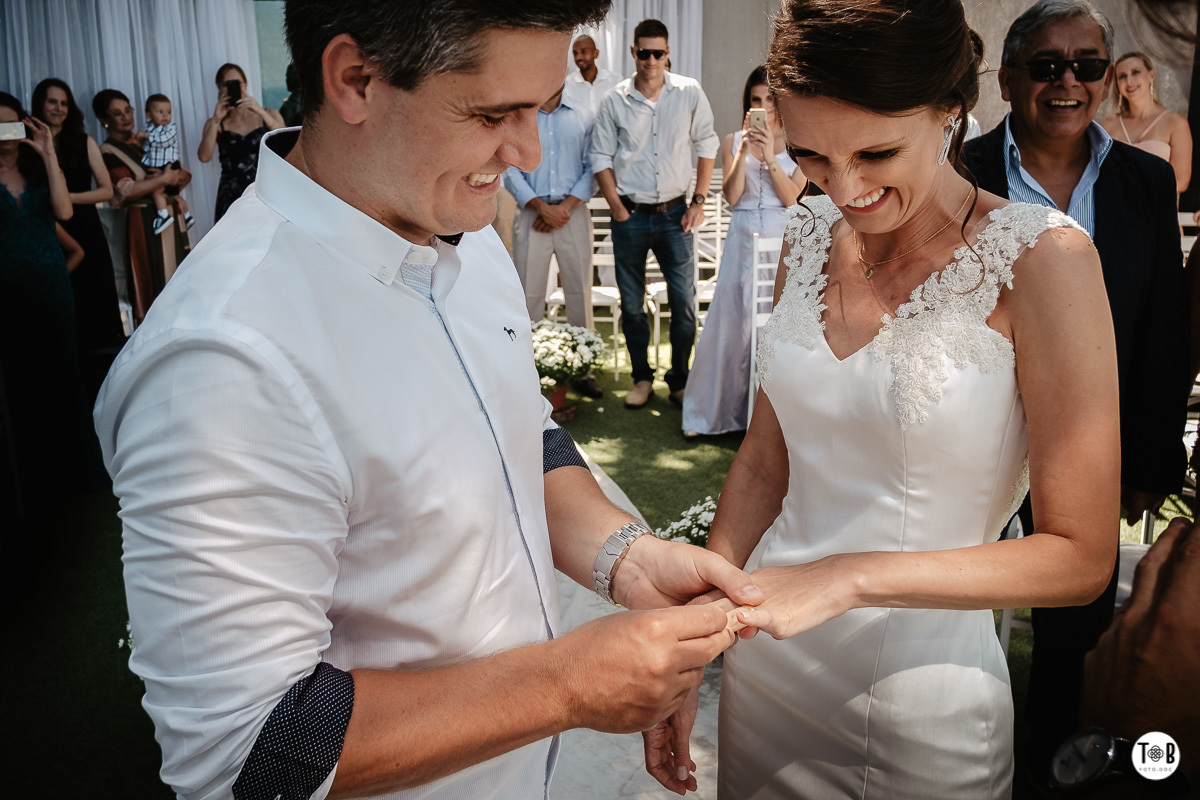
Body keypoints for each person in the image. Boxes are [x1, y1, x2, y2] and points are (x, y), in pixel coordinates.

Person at [93, 2, 765, 799]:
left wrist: (625, 556)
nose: (524, 153)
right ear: (355, 80)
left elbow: (521, 429)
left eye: (540, 110)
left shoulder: (460, 228)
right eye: (493, 113)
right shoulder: (224, 358)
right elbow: (250, 753)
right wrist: (566, 686)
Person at [644, 0, 1125, 795]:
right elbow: (766, 460)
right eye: (813, 158)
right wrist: (696, 644)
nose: (846, 189)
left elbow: (1081, 558)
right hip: (768, 668)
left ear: (950, 111)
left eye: (876, 151)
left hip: (919, 701)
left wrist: (850, 575)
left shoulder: (1045, 262)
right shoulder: (805, 236)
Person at [961, 1, 1191, 786]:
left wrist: (1149, 460)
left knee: (1074, 634)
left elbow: (1165, 330)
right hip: (972, 445)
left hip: (1092, 451)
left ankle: (1049, 778)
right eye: (1048, 65)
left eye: (1088, 64)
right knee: (958, 624)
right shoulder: (960, 173)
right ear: (1008, 77)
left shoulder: (1146, 180)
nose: (1069, 81)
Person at [590, 18, 719, 409]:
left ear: (667, 53)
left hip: (676, 215)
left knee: (683, 303)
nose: (650, 60)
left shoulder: (689, 92)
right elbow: (600, 156)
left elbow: (707, 144)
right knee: (632, 305)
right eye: (643, 52)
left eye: (657, 53)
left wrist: (698, 202)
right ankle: (641, 378)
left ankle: (678, 379)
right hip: (629, 215)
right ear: (633, 52)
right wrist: (616, 206)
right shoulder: (614, 100)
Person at [680, 66, 802, 438]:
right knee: (732, 322)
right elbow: (732, 196)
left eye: (769, 99)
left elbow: (793, 199)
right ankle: (714, 415)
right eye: (755, 100)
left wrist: (767, 158)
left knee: (775, 322)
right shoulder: (733, 139)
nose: (762, 105)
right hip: (742, 237)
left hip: (781, 240)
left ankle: (770, 422)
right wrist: (744, 151)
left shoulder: (799, 142)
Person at [0, 93, 97, 520]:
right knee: (20, 382)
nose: (5, 135)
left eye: (11, 124)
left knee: (63, 375)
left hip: (52, 287)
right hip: (8, 294)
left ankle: (76, 478)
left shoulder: (39, 165)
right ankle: (32, 481)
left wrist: (47, 151)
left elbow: (62, 210)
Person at [502, 83, 604, 398]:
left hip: (572, 213)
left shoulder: (584, 115)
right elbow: (509, 167)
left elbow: (593, 166)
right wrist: (540, 207)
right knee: (529, 293)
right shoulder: (520, 116)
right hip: (533, 214)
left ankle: (583, 370)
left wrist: (562, 209)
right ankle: (526, 371)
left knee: (579, 291)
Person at [32, 77, 125, 400]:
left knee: (93, 299)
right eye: (51, 102)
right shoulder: (30, 143)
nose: (58, 108)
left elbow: (106, 190)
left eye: (63, 102)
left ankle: (101, 390)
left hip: (84, 226)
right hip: (46, 228)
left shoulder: (82, 141)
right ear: (39, 105)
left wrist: (67, 197)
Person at [93, 89, 192, 323]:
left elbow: (183, 175)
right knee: (153, 282)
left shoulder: (146, 140)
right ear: (104, 120)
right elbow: (125, 189)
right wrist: (163, 180)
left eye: (128, 110)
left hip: (169, 215)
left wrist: (168, 178)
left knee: (179, 280)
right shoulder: (108, 151)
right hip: (144, 222)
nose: (126, 117)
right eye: (117, 114)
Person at [197, 63, 284, 222]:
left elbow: (283, 140)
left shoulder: (268, 113)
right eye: (226, 85)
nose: (233, 88)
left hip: (265, 193)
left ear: (245, 84)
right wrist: (216, 119)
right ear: (219, 89)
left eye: (237, 83)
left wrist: (258, 109)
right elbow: (204, 156)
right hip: (231, 198)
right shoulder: (216, 124)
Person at [1100, 51, 1192, 194]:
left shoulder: (1175, 122)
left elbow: (1181, 181)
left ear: (1151, 75)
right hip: (1115, 212)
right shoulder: (1107, 125)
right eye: (1122, 76)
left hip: (1156, 211)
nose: (1129, 81)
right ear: (1117, 84)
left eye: (1136, 72)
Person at [140, 93, 196, 235]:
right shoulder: (149, 128)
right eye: (160, 112)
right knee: (175, 195)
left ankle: (163, 214)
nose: (165, 116)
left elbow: (163, 141)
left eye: (169, 112)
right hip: (158, 164)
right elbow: (147, 148)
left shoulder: (170, 128)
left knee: (156, 190)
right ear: (149, 115)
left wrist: (147, 137)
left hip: (170, 165)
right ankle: (186, 216)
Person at [565, 34, 622, 114]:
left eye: (583, 52)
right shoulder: (567, 85)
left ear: (596, 53)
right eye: (575, 53)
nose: (578, 57)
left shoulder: (615, 81)